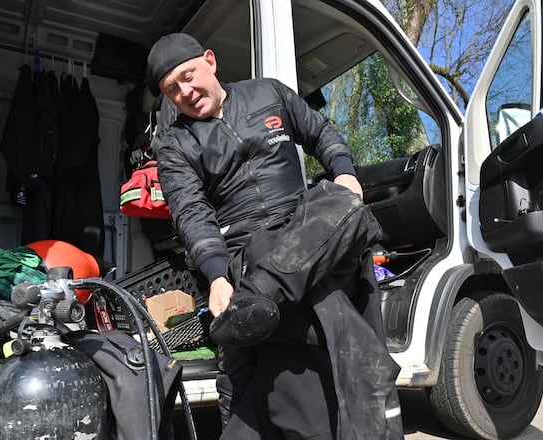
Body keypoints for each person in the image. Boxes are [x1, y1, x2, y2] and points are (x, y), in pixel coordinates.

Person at [147, 33, 403, 439]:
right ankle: (258, 290)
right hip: (246, 246)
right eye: (172, 90)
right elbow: (191, 213)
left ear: (210, 61)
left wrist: (345, 172)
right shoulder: (174, 145)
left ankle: (259, 294)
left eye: (188, 76)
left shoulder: (268, 93)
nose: (185, 92)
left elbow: (321, 132)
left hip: (307, 225)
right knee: (241, 375)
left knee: (343, 202)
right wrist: (216, 274)